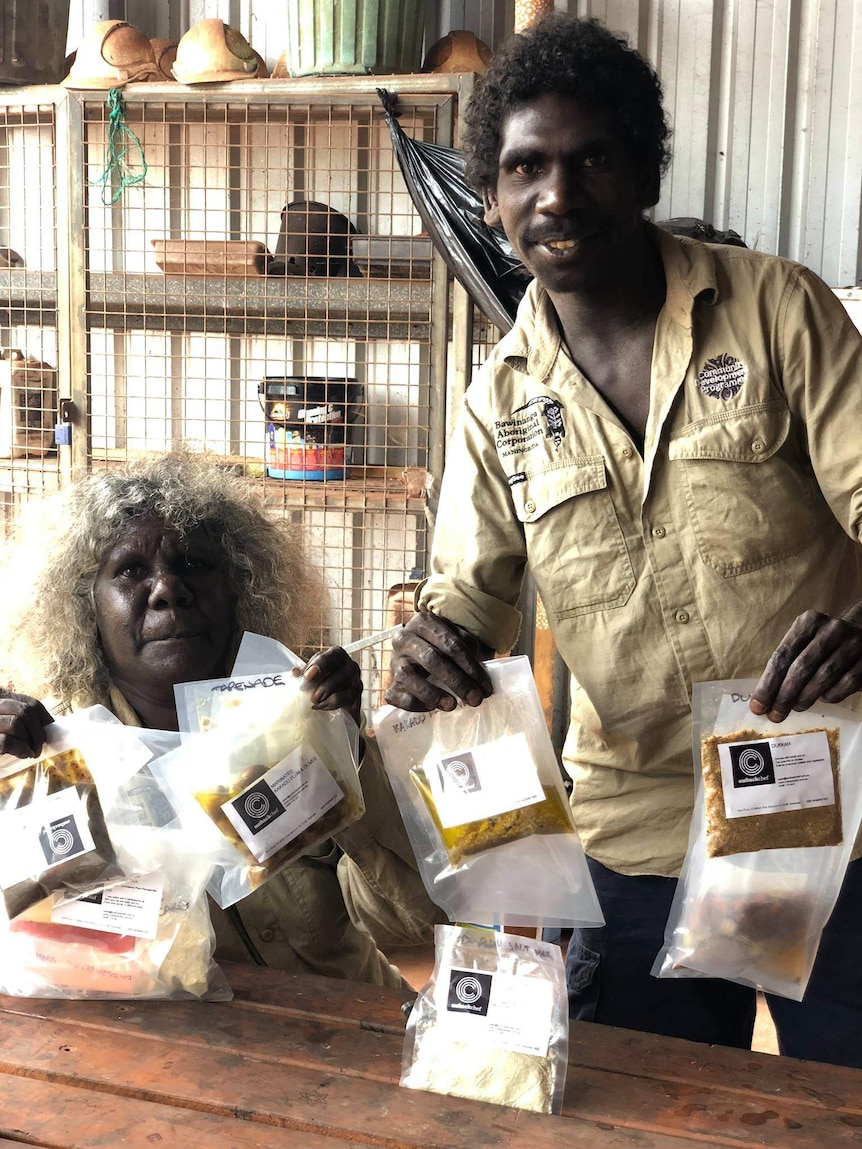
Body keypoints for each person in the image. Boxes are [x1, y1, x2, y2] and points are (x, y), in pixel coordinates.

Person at [385, 13, 862, 1066]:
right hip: (633, 829)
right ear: (496, 195)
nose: (557, 195)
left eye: (590, 158)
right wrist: (432, 645)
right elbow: (469, 593)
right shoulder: (497, 405)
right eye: (524, 168)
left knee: (839, 1100)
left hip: (816, 800)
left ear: (642, 168)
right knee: (643, 1107)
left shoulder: (778, 313)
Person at [0, 451, 442, 986]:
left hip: (335, 1025)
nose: (168, 589)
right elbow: (32, 939)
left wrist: (352, 754)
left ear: (242, 591)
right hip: (153, 1043)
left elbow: (416, 920)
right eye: (131, 571)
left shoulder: (295, 721)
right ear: (82, 609)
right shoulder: (50, 760)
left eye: (194, 564)